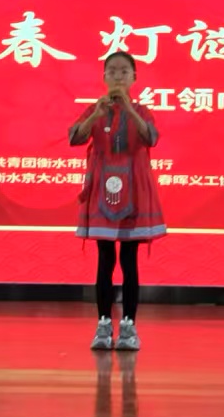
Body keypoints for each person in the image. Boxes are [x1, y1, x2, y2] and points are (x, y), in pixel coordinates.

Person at [69, 51, 165, 351]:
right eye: (112, 71)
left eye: (124, 71)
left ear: (134, 78)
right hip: (103, 192)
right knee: (105, 258)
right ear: (104, 77)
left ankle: (128, 326)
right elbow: (75, 138)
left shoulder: (142, 111)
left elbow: (151, 138)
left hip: (133, 191)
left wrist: (129, 109)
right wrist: (96, 115)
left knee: (129, 259)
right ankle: (102, 324)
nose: (118, 76)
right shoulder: (94, 110)